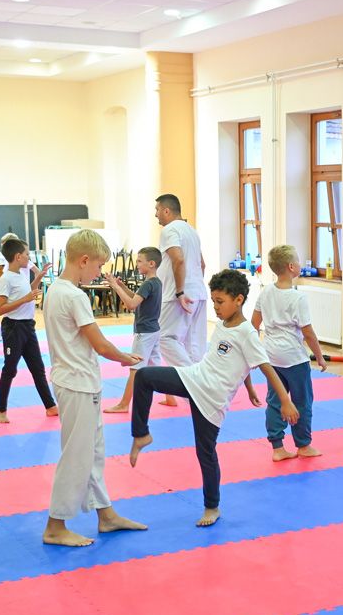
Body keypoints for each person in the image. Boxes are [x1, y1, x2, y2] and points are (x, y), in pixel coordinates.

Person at [128, 269, 299, 528]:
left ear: (238, 300)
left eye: (220, 302)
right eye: (214, 301)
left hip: (212, 399)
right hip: (195, 378)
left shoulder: (247, 333)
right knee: (144, 377)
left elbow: (265, 367)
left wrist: (285, 401)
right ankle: (141, 434)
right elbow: (241, 363)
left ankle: (212, 507)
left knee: (205, 452)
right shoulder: (223, 324)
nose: (216, 307)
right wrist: (249, 388)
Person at [43, 229, 146, 547]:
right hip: (77, 385)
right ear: (84, 260)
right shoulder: (74, 296)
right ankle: (55, 526)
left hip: (76, 380)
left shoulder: (55, 290)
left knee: (93, 453)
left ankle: (106, 514)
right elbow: (100, 345)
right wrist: (126, 358)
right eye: (99, 266)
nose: (100, 273)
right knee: (77, 455)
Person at [251, 244, 327, 461]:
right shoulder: (297, 298)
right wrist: (319, 356)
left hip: (271, 357)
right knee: (302, 402)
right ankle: (303, 445)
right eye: (299, 261)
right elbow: (308, 333)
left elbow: (253, 325)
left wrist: (256, 354)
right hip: (294, 358)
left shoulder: (265, 292)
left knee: (275, 401)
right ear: (292, 267)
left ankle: (277, 448)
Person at [0, 237, 57, 423]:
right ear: (17, 257)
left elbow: (27, 293)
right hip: (13, 328)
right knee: (10, 369)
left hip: (28, 327)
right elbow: (0, 309)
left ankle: (50, 406)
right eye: (27, 255)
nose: (29, 258)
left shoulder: (21, 275)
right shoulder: (6, 278)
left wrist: (38, 278)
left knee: (38, 368)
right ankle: (1, 411)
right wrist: (25, 299)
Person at [154, 194, 208, 406]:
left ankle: (195, 387)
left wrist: (179, 292)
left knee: (164, 338)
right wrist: (193, 287)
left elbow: (178, 259)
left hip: (179, 294)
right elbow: (202, 264)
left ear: (166, 210)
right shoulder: (191, 230)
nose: (156, 215)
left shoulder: (169, 230)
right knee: (193, 344)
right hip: (198, 291)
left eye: (157, 210)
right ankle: (201, 390)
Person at [103, 246, 163, 414]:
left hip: (144, 333)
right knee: (155, 368)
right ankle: (171, 398)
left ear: (151, 263)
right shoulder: (155, 282)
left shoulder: (148, 284)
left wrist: (115, 287)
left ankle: (123, 404)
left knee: (135, 368)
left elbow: (131, 305)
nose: (137, 264)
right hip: (154, 330)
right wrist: (122, 287)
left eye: (139, 261)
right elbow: (137, 298)